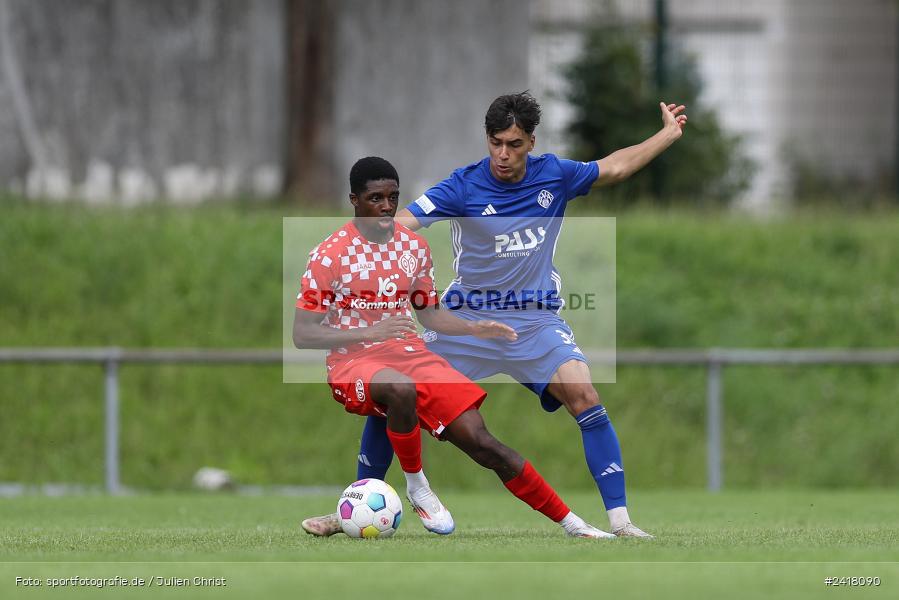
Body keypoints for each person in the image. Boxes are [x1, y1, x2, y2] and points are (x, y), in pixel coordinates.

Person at [302, 94, 688, 538]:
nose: (504, 155)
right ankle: (353, 507)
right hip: (466, 323)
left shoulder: (555, 176)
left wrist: (667, 134)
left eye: (515, 144)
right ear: (487, 139)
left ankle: (621, 523)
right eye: (496, 143)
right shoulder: (463, 186)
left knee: (584, 396)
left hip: (535, 322)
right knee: (391, 392)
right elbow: (402, 221)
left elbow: (615, 167)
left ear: (531, 142)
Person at [294, 156, 614, 538]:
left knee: (482, 441)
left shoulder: (412, 247)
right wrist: (373, 333)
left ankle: (574, 525)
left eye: (392, 198)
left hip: (408, 354)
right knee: (399, 389)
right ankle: (419, 489)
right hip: (353, 363)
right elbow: (304, 334)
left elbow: (428, 315)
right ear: (354, 200)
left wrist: (472, 328)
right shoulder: (329, 255)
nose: (385, 207)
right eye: (375, 198)